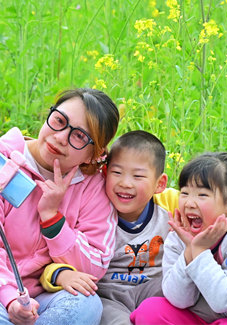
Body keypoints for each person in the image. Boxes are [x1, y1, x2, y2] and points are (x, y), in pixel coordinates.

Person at [0, 88, 120, 325]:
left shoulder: (93, 188)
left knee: (86, 303)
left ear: (93, 154)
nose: (60, 137)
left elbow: (94, 265)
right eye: (59, 121)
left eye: (78, 136)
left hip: (38, 303)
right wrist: (10, 298)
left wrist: (52, 219)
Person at [129, 152, 227, 325]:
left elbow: (223, 300)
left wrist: (199, 251)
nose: (189, 203)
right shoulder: (178, 237)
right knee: (150, 311)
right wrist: (189, 251)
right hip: (199, 314)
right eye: (184, 193)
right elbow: (179, 299)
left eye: (202, 195)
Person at [39, 130, 179, 325]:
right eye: (117, 172)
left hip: (156, 290)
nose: (125, 183)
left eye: (138, 176)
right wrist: (62, 274)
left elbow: (209, 209)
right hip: (109, 297)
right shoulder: (92, 214)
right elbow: (61, 254)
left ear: (160, 183)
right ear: (104, 174)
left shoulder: (171, 207)